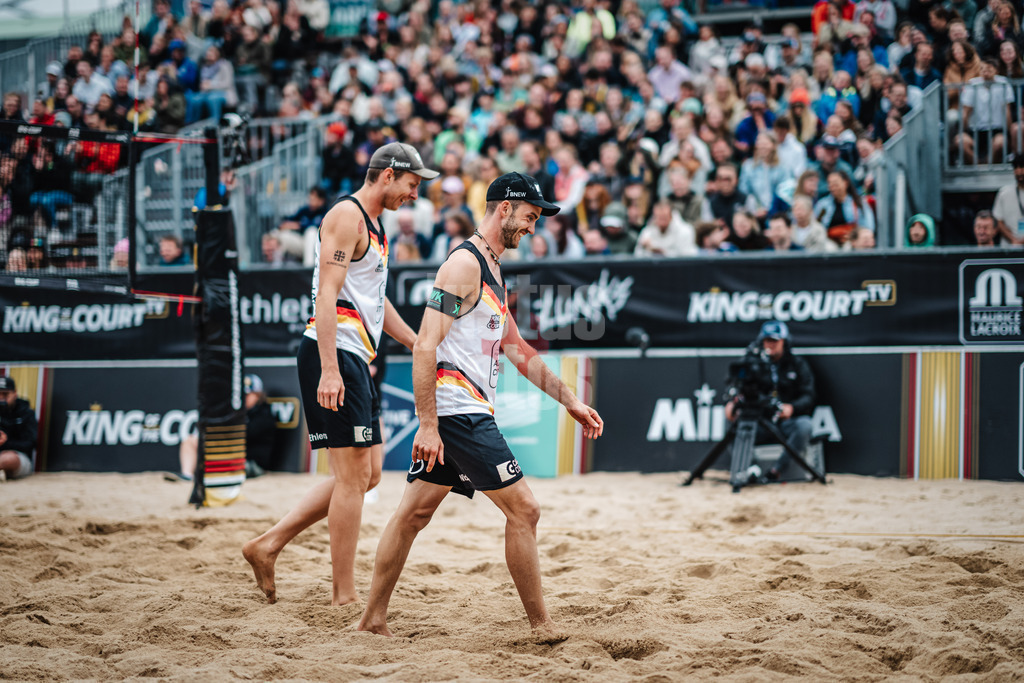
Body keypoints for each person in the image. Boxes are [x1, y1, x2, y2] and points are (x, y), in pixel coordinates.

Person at [356, 172, 604, 638]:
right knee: (525, 510)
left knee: (412, 516)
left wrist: (570, 400)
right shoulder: (463, 265)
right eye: (529, 216)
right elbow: (424, 345)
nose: (532, 227)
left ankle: (372, 619)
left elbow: (517, 350)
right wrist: (428, 425)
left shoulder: (493, 267)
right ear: (504, 207)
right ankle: (541, 626)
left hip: (464, 411)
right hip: (457, 413)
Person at [243, 143, 433, 606]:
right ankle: (343, 596)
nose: (414, 194)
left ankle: (268, 544)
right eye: (412, 184)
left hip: (354, 355)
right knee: (352, 478)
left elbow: (374, 299)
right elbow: (325, 295)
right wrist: (330, 369)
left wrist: (416, 343)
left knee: (368, 475)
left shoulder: (376, 225)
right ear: (387, 175)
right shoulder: (347, 216)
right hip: (333, 353)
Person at [724, 321, 815, 481]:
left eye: (775, 340)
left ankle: (775, 471)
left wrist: (792, 408)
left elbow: (809, 395)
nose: (770, 345)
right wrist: (733, 402)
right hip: (760, 422)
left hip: (785, 422)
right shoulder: (752, 363)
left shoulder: (797, 364)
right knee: (733, 425)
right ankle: (750, 470)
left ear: (785, 342)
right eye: (767, 340)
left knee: (804, 425)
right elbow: (735, 385)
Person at [174, 374, 278, 482]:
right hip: (229, 457)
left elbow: (241, 435)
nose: (243, 398)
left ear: (258, 395)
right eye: (241, 394)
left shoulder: (265, 414)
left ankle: (205, 475)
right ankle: (187, 475)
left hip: (251, 463)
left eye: (247, 395)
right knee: (191, 441)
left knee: (219, 460)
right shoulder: (235, 411)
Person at [0, 376, 37, 482]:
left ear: (14, 393)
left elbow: (30, 443)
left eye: (5, 394)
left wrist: (5, 443)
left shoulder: (26, 413)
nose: (1, 398)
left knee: (8, 458)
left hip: (18, 458)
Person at [990, 154, 1024, 245]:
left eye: (1022, 167)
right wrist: (1014, 240)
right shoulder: (1004, 192)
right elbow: (998, 220)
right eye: (1015, 167)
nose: (1019, 171)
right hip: (1009, 247)